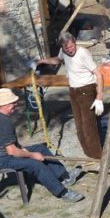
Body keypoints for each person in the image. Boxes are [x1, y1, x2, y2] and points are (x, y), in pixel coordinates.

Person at [0, 88, 85, 202]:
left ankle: (66, 177)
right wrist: (31, 155)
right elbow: (11, 151)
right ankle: (62, 193)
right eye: (13, 103)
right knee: (35, 164)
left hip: (1, 153)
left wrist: (25, 150)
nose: (16, 105)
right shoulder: (2, 122)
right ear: (5, 104)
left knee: (40, 148)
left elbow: (10, 144)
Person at [37, 31, 104, 160]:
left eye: (71, 46)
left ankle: (98, 155)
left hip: (86, 89)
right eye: (66, 48)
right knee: (79, 125)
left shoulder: (83, 53)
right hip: (73, 90)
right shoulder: (64, 51)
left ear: (74, 42)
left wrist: (99, 96)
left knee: (88, 125)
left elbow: (98, 74)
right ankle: (88, 153)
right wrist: (43, 60)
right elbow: (58, 59)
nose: (69, 50)